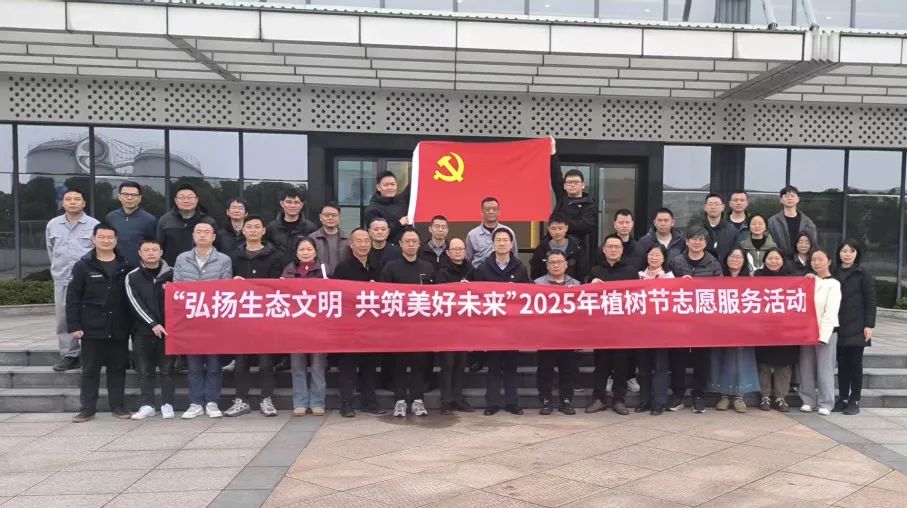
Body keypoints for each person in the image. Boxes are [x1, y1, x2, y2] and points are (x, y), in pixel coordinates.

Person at [66, 223, 132, 423]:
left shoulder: (126, 265)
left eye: (110, 237)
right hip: (92, 327)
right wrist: (74, 325)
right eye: (101, 237)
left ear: (116, 240)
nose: (106, 241)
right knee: (89, 370)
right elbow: (73, 297)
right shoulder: (83, 265)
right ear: (93, 240)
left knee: (118, 369)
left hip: (119, 327)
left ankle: (118, 406)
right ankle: (87, 409)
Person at [225, 215, 285, 418]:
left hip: (266, 315)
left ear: (263, 231)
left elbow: (276, 286)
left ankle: (266, 399)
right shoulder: (234, 256)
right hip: (241, 316)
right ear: (243, 230)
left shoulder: (276, 256)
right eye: (249, 227)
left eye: (257, 227)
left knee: (265, 361)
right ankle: (240, 400)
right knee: (241, 361)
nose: (252, 230)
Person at [173, 222, 232, 419]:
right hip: (190, 320)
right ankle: (196, 402)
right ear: (193, 236)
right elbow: (177, 286)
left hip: (214, 320)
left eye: (207, 232)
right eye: (199, 232)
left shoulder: (223, 260)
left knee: (214, 364)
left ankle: (213, 402)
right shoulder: (182, 258)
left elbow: (225, 288)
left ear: (214, 237)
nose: (203, 235)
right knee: (194, 364)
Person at [469, 227, 530, 415]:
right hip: (492, 325)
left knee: (511, 365)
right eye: (498, 240)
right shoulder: (483, 268)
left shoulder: (520, 268)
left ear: (511, 245)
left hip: (512, 325)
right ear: (493, 244)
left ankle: (512, 402)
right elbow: (477, 295)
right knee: (493, 365)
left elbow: (528, 295)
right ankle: (492, 403)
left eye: (506, 240)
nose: (502, 243)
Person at [380, 226, 435, 417]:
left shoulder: (428, 268)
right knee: (400, 363)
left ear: (419, 244)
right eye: (407, 241)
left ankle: (418, 399)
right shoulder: (391, 267)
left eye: (414, 241)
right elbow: (384, 295)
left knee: (420, 363)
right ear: (401, 244)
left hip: (421, 325)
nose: (411, 244)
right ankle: (400, 400)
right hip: (399, 325)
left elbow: (436, 295)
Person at [669, 226, 722, 413]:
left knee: (702, 359)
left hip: (703, 321)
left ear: (706, 243)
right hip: (680, 319)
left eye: (701, 239)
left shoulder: (713, 264)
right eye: (693, 239)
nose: (697, 243)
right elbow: (665, 287)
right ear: (687, 241)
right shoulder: (676, 262)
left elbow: (720, 291)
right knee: (678, 359)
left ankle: (699, 394)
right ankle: (678, 395)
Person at [333, 228, 385, 418]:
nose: (363, 244)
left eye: (366, 241)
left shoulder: (377, 266)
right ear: (351, 244)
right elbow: (338, 296)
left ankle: (369, 402)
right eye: (359, 241)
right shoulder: (343, 268)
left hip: (371, 325)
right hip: (350, 326)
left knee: (369, 365)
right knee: (348, 365)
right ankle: (346, 403)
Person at [47, 188, 99, 372]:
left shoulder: (94, 225)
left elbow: (99, 252)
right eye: (68, 199)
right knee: (64, 318)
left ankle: (91, 354)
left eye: (77, 199)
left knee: (90, 316)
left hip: (88, 280)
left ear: (84, 203)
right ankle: (70, 355)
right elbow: (51, 251)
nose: (72, 202)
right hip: (62, 279)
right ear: (63, 203)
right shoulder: (53, 225)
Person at [585, 234, 639, 416]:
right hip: (601, 327)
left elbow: (638, 296)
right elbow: (586, 298)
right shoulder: (595, 271)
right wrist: (590, 285)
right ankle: (599, 398)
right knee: (601, 364)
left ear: (622, 250)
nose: (613, 249)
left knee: (621, 365)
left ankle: (619, 399)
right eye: (610, 246)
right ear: (604, 249)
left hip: (623, 327)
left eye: (617, 247)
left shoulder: (631, 271)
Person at [125, 238, 175, 420]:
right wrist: (152, 323)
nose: (151, 253)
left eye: (155, 249)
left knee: (167, 370)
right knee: (145, 370)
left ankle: (167, 403)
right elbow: (134, 302)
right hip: (143, 331)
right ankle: (147, 405)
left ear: (161, 252)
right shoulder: (132, 276)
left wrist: (169, 325)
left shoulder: (173, 274)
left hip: (168, 331)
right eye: (146, 250)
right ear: (140, 253)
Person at [281, 236, 329, 416]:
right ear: (296, 252)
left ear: (315, 251)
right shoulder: (289, 270)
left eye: (309, 249)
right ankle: (300, 402)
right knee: (297, 365)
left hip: (318, 325)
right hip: (296, 325)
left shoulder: (324, 269)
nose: (305, 252)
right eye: (302, 250)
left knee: (318, 365)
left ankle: (317, 402)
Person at [708, 247, 760, 413]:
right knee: (722, 359)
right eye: (732, 256)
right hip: (722, 327)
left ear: (744, 261)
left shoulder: (750, 280)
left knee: (741, 360)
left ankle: (739, 397)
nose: (735, 259)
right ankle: (724, 396)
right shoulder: (718, 278)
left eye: (739, 257)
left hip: (743, 328)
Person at [832, 240, 876, 415]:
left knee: (855, 364)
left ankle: (854, 399)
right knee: (842, 364)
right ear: (839, 253)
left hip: (858, 325)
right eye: (844, 251)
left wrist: (869, 325)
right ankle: (842, 398)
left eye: (851, 251)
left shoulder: (863, 274)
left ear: (857, 254)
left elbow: (871, 301)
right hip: (838, 325)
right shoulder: (833, 272)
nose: (847, 254)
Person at [534, 250, 580, 416]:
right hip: (545, 335)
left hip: (568, 335)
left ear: (566, 264)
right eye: (552, 262)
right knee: (545, 370)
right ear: (547, 266)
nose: (555, 265)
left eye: (559, 262)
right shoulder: (537, 284)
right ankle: (546, 401)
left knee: (568, 370)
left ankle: (566, 401)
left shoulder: (576, 284)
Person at [754, 248, 798, 413]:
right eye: (770, 258)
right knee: (764, 364)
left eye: (777, 258)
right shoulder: (757, 276)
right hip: (764, 327)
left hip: (785, 328)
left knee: (784, 364)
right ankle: (764, 396)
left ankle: (781, 397)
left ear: (782, 260)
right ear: (764, 260)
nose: (773, 261)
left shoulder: (792, 277)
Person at [799, 249, 842, 416]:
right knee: (806, 368)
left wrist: (823, 336)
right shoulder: (809, 281)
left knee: (825, 369)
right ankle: (808, 400)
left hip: (826, 333)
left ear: (829, 261)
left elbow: (831, 312)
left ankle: (826, 403)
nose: (816, 263)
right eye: (813, 260)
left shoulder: (834, 284)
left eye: (820, 259)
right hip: (807, 332)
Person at [435, 238, 475, 415]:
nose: (458, 252)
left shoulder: (472, 270)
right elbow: (438, 295)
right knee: (448, 364)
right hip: (447, 325)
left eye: (461, 249)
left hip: (466, 324)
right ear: (448, 252)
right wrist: (457, 289)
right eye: (454, 249)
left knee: (461, 362)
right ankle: (446, 400)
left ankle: (458, 398)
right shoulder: (442, 271)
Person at [637, 244, 673, 415]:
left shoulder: (670, 278)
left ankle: (658, 402)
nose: (653, 258)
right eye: (651, 254)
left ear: (664, 258)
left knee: (660, 366)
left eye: (657, 255)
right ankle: (644, 400)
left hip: (662, 329)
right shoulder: (638, 276)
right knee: (643, 366)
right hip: (642, 328)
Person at [549, 137, 597, 253]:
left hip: (576, 249)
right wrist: (552, 150)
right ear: (565, 186)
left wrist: (560, 225)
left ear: (583, 185)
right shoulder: (562, 197)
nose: (572, 185)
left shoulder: (589, 203)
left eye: (576, 182)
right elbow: (556, 175)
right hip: (554, 245)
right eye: (569, 182)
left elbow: (585, 225)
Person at [156, 183, 218, 266]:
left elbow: (216, 247)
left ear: (196, 200)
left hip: (202, 269)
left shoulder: (208, 222)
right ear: (175, 200)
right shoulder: (165, 221)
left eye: (190, 197)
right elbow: (158, 246)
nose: (186, 200)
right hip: (171, 269)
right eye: (181, 197)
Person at [105, 181, 156, 268]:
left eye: (133, 195)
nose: (129, 198)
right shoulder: (111, 217)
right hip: (114, 268)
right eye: (125, 194)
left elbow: (153, 246)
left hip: (139, 269)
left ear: (139, 198)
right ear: (119, 197)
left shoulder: (149, 220)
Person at [529, 213, 589, 282]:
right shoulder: (542, 248)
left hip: (571, 286)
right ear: (548, 229)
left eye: (560, 228)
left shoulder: (576, 247)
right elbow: (535, 271)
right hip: (546, 286)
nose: (557, 232)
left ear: (566, 228)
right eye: (553, 228)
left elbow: (583, 271)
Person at [465, 197, 518, 268]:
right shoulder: (472, 235)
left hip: (503, 272)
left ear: (499, 212)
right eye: (487, 209)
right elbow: (467, 260)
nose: (491, 212)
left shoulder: (508, 232)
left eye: (494, 209)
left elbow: (514, 256)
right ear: (482, 212)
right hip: (479, 272)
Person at [767, 185, 818, 258]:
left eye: (792, 196)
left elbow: (814, 245)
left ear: (798, 199)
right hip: (780, 260)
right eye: (786, 196)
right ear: (781, 200)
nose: (789, 198)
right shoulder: (772, 222)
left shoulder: (808, 223)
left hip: (802, 260)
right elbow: (769, 244)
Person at [266, 187, 317, 258]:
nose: (292, 206)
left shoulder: (310, 228)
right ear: (282, 203)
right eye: (289, 202)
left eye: (296, 202)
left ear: (301, 205)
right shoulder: (271, 228)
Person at [364, 170, 411, 244]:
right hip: (386, 249)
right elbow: (377, 234)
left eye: (393, 184)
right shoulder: (372, 210)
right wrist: (399, 223)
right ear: (378, 187)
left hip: (408, 246)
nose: (390, 187)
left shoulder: (401, 200)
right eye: (386, 185)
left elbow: (413, 186)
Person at [309, 202, 350, 275]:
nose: (330, 218)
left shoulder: (348, 239)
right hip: (319, 279)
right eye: (326, 215)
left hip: (343, 279)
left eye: (334, 215)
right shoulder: (312, 239)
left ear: (339, 217)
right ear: (320, 217)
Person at [701, 193, 739, 263]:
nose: (713, 207)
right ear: (705, 207)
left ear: (723, 207)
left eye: (716, 204)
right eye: (710, 204)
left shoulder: (732, 231)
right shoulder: (697, 229)